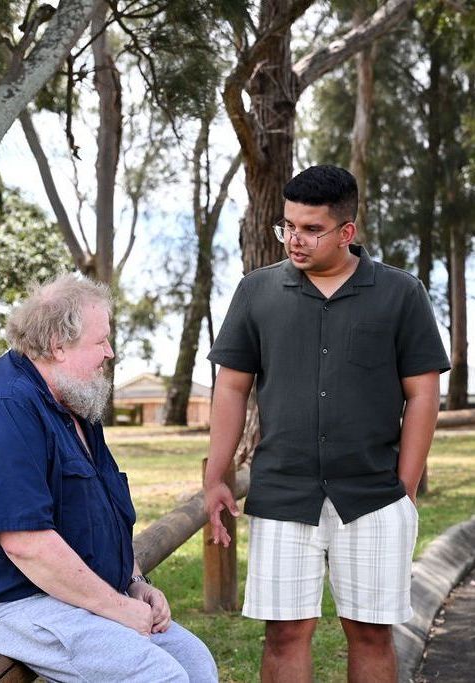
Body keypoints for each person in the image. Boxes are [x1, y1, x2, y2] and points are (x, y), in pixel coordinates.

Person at [204, 165, 450, 683]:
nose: (295, 239)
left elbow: (423, 394)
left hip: (374, 495)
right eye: (288, 225)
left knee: (371, 634)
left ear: (347, 232)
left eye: (312, 229)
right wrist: (216, 476)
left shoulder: (401, 294)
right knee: (285, 635)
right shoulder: (256, 292)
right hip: (283, 493)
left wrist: (403, 486)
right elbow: (231, 387)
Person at [0, 273, 217, 683]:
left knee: (195, 662)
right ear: (58, 345)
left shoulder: (74, 401)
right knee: (156, 675)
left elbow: (106, 511)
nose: (109, 353)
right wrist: (116, 608)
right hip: (6, 601)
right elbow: (26, 544)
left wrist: (133, 584)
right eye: (100, 342)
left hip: (68, 594)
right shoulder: (0, 406)